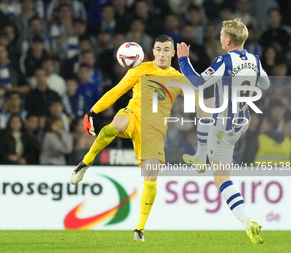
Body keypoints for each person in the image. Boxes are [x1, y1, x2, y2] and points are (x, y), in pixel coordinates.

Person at [70, 35, 196, 241]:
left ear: (173, 53)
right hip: (133, 116)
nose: (162, 54)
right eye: (158, 49)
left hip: (154, 132)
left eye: (166, 50)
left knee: (151, 177)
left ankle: (139, 229)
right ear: (152, 52)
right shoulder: (140, 69)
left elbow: (201, 98)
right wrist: (92, 112)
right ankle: (85, 162)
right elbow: (116, 91)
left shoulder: (178, 79)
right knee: (117, 124)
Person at [177, 18, 270, 244]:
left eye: (220, 35)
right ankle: (200, 158)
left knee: (221, 180)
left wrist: (183, 59)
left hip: (222, 130)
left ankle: (248, 222)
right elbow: (265, 85)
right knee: (203, 106)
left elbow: (198, 82)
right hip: (242, 122)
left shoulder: (224, 60)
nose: (219, 38)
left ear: (228, 40)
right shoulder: (255, 60)